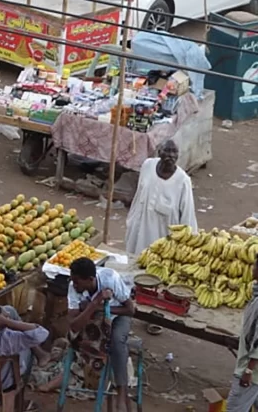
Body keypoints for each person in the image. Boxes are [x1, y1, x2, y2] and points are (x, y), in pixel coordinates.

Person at [68, 257, 135, 412]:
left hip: (117, 316)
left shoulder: (110, 278)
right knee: (77, 340)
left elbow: (130, 310)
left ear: (90, 279)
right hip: (93, 319)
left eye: (77, 282)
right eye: (73, 280)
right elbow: (74, 325)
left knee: (117, 342)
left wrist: (99, 309)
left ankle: (121, 393)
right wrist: (95, 304)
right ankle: (83, 376)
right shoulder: (73, 286)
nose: (74, 285)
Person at [124, 139, 197, 256]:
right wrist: (131, 221)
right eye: (167, 151)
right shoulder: (148, 166)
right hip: (137, 234)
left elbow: (188, 216)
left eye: (174, 152)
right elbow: (139, 196)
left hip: (162, 243)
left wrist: (187, 245)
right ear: (159, 152)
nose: (171, 155)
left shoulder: (183, 181)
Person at [224, 258, 258, 412]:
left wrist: (248, 371)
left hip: (252, 371)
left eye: (255, 265)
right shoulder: (256, 295)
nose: (252, 268)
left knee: (235, 408)